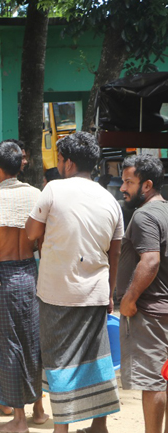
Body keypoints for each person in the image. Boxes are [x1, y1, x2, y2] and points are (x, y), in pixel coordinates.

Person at [26, 132, 122, 433]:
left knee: (59, 361)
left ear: (67, 162)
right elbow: (115, 253)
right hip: (96, 293)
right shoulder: (111, 199)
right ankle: (99, 426)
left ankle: (62, 428)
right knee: (97, 360)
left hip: (57, 293)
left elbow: (30, 233)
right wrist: (110, 291)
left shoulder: (53, 189)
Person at [0, 141, 48, 432]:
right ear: (19, 164)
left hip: (4, 280)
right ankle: (40, 409)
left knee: (9, 347)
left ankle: (19, 420)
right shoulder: (37, 195)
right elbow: (43, 243)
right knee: (34, 342)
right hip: (32, 275)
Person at [117, 154, 168, 433]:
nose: (123, 188)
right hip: (163, 310)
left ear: (146, 185)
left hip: (150, 314)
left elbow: (150, 260)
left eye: (129, 182)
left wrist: (129, 299)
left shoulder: (145, 215)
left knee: (154, 381)